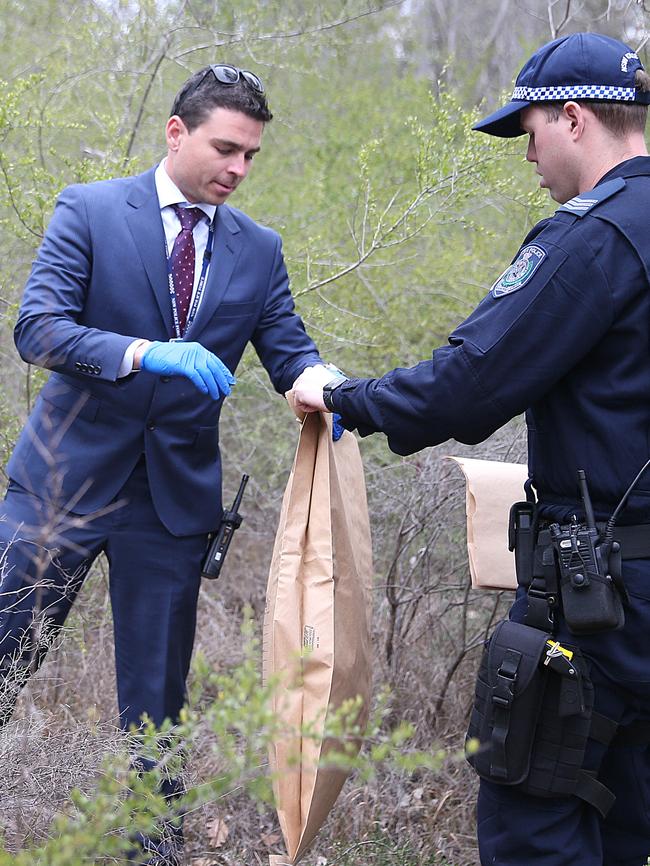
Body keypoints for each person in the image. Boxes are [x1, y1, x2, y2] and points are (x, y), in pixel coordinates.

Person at [293, 32, 650, 866]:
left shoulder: (591, 238)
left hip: (600, 607)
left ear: (573, 118)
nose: (527, 156)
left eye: (527, 131)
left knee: (537, 824)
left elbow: (468, 385)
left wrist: (343, 397)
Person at [0, 64, 325, 863]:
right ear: (176, 133)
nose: (239, 169)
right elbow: (36, 329)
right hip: (61, 484)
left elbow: (291, 352)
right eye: (225, 148)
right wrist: (146, 353)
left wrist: (332, 390)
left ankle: (152, 853)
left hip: (172, 507)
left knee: (156, 705)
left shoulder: (259, 249)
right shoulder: (91, 208)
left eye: (251, 155)